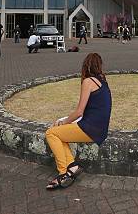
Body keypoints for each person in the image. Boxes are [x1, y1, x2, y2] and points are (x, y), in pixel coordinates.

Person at [45, 53, 112, 190]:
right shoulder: (103, 82)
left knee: (51, 133)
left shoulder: (89, 82)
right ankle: (72, 166)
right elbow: (92, 110)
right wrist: (66, 121)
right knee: (60, 135)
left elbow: (79, 111)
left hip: (91, 129)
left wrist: (64, 122)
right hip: (99, 128)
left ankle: (63, 173)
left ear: (86, 66)